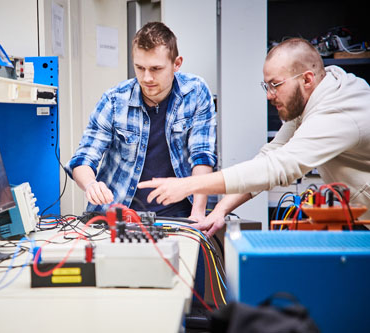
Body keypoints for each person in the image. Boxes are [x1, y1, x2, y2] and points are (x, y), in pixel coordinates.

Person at [138, 37, 370, 235]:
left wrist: (190, 184)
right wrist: (219, 211)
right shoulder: (317, 96)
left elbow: (279, 166)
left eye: (275, 85)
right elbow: (269, 157)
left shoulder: (337, 110)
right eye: (266, 86)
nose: (270, 95)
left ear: (307, 79)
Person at [65, 22, 217, 221]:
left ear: (177, 64)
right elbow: (84, 158)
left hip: (179, 215)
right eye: (140, 67)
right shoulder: (114, 99)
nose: (146, 78)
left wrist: (197, 212)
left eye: (156, 69)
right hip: (118, 215)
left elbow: (202, 155)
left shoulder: (195, 92)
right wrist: (91, 185)